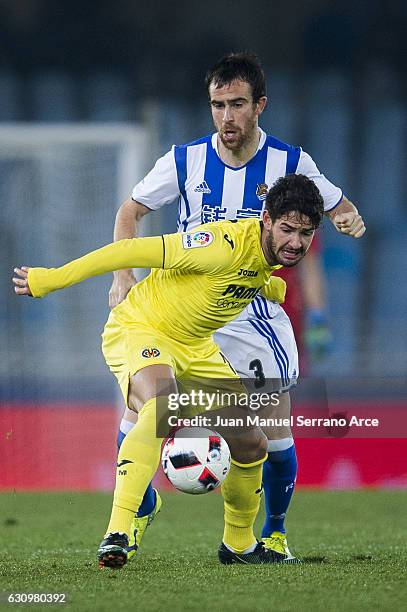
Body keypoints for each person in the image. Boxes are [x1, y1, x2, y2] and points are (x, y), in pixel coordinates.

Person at [108, 52, 366, 560]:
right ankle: (136, 513)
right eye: (217, 105)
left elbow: (339, 206)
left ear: (259, 106)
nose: (226, 116)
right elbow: (130, 210)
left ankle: (270, 535)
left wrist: (348, 218)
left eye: (237, 104)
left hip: (252, 317)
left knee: (272, 426)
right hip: (185, 311)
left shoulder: (292, 163)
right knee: (143, 407)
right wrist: (123, 275)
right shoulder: (184, 161)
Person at [13, 174, 324, 567]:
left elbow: (238, 280)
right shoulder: (218, 246)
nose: (295, 242)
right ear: (266, 219)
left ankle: (239, 546)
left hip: (196, 347)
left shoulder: (268, 258)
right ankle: (117, 532)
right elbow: (126, 252)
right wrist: (50, 279)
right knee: (162, 407)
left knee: (252, 444)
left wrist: (270, 289)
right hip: (143, 327)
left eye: (305, 233)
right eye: (287, 230)